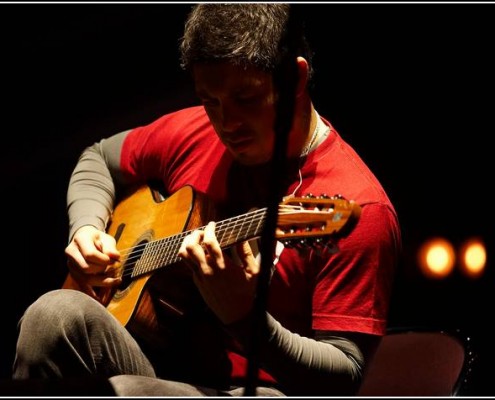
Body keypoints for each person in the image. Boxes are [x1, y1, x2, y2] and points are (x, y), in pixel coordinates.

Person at [12, 3, 401, 397]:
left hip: (256, 389)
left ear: (295, 78)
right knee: (51, 314)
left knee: (129, 391)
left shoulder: (359, 205)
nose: (226, 124)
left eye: (245, 98)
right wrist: (87, 229)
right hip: (165, 359)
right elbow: (97, 158)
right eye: (210, 101)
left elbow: (345, 375)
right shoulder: (198, 131)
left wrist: (245, 317)